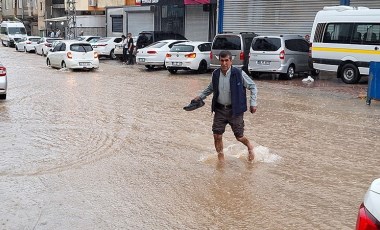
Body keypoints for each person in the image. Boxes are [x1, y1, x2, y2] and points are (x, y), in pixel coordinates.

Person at [193, 50, 258, 162]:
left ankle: (249, 146)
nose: (224, 63)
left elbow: (253, 87)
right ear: (219, 61)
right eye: (222, 61)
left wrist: (253, 103)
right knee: (217, 135)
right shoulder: (216, 74)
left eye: (226, 60)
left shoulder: (239, 73)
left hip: (235, 110)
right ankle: (221, 158)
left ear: (231, 61)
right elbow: (210, 88)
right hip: (220, 109)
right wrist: (200, 97)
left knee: (239, 137)